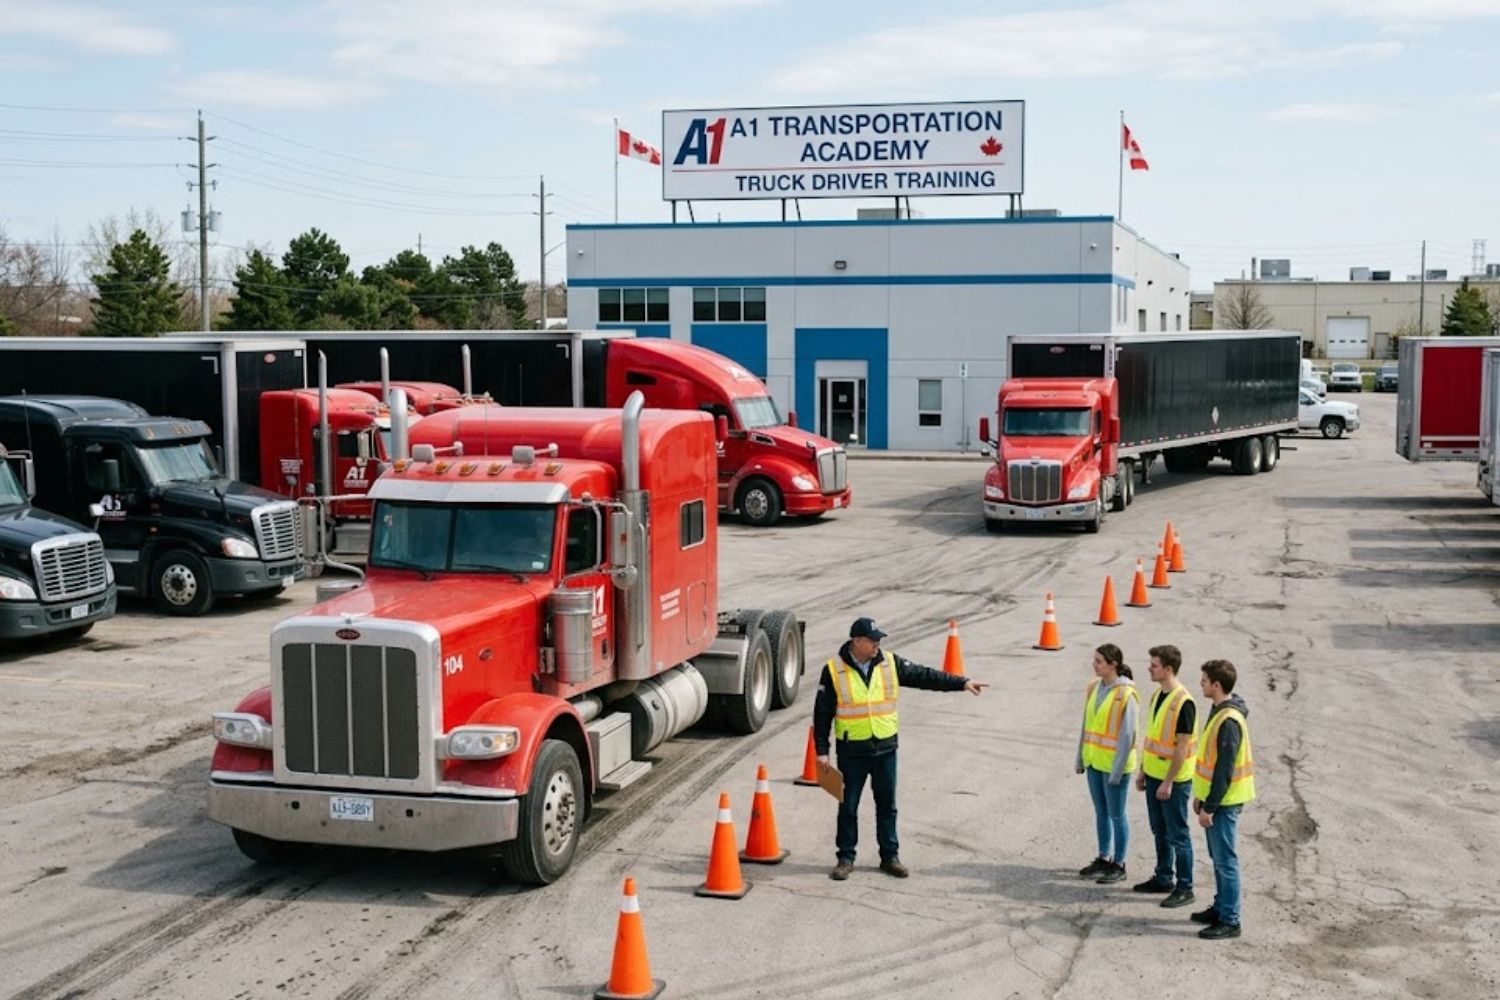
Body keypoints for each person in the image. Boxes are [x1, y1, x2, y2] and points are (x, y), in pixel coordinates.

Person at [814, 616, 988, 881]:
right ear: (856, 642)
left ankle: (890, 857)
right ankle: (845, 859)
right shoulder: (833, 670)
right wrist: (822, 751)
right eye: (872, 640)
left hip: (885, 748)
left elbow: (924, 676)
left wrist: (961, 682)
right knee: (848, 807)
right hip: (852, 751)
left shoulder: (889, 662)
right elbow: (822, 713)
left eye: (878, 640)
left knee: (887, 806)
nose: (877, 644)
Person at [1191, 659, 1256, 940]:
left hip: (1225, 803)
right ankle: (1220, 908)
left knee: (1226, 861)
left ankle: (1230, 920)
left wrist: (1211, 806)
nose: (1201, 684)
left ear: (1217, 685)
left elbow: (1224, 770)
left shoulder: (1228, 721)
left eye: (1204, 680)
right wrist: (1200, 796)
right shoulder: (1219, 711)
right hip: (1216, 800)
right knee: (1218, 858)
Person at [1132, 644, 1197, 908]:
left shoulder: (1184, 702)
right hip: (1154, 776)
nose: (1149, 668)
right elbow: (1152, 738)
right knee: (1159, 830)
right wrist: (1143, 771)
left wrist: (1168, 781)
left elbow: (1181, 748)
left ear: (1168, 669)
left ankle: (1185, 887)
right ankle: (1163, 877)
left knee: (1178, 834)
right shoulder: (1158, 695)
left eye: (1154, 665)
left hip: (1174, 782)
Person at [1076, 643, 1139, 885]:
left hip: (1114, 767)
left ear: (1113, 665)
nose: (1094, 665)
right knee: (1101, 812)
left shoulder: (1126, 694)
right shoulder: (1094, 687)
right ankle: (1104, 857)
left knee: (1117, 815)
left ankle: (1119, 863)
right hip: (1094, 762)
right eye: (1094, 660)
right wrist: (1080, 758)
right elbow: (1086, 725)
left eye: (1099, 661)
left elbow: (1128, 736)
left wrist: (1117, 771)